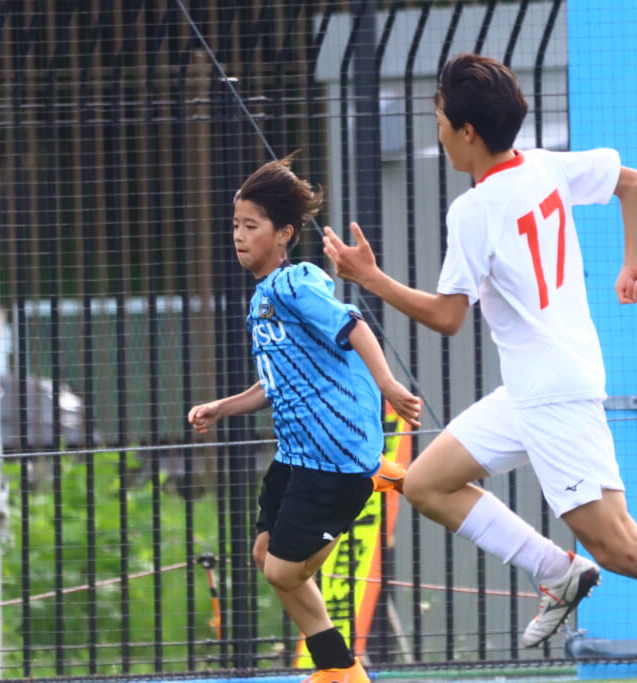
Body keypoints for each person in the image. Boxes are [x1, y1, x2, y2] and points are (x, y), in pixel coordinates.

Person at [322, 53, 637, 648]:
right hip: (531, 389)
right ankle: (558, 570)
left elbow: (448, 317)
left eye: (440, 122)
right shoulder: (545, 166)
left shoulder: (473, 210)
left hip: (552, 393)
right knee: (426, 483)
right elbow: (634, 184)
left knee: (620, 545)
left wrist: (370, 278)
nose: (438, 133)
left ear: (467, 132)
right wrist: (635, 259)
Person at [188, 152, 422, 683]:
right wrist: (222, 408)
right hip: (297, 455)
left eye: (251, 225)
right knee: (264, 554)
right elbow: (274, 383)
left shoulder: (294, 284)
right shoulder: (261, 300)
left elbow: (353, 325)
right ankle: (338, 670)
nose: (239, 236)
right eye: (235, 224)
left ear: (284, 234)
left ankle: (341, 669)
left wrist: (388, 384)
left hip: (333, 457)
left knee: (283, 570)